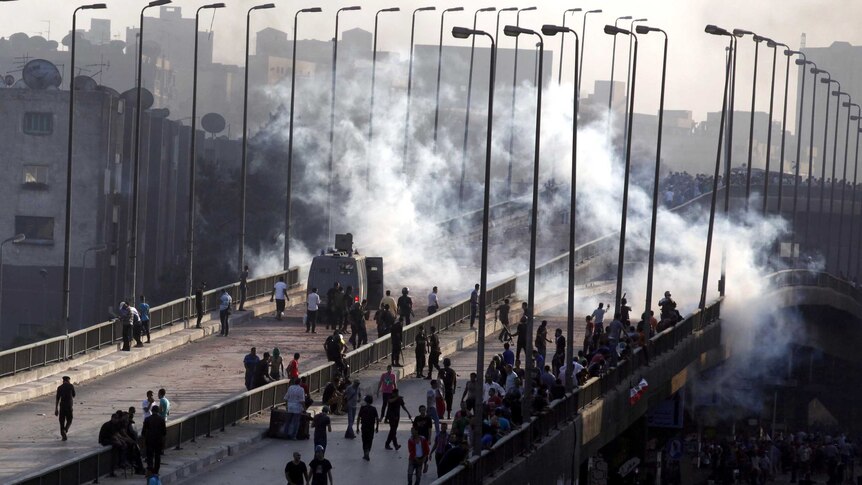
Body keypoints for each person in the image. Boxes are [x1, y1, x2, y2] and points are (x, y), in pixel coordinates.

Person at [142, 405, 166, 473]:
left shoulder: (147, 419)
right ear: (158, 411)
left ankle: (150, 468)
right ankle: (156, 470)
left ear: (152, 411)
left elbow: (143, 432)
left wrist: (144, 441)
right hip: (158, 440)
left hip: (149, 440)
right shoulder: (161, 419)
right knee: (157, 456)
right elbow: (164, 432)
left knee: (150, 455)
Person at [357, 395, 380, 461]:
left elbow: (358, 418)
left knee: (364, 440)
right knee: (370, 440)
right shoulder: (374, 409)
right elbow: (377, 419)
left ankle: (365, 453)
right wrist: (377, 427)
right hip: (371, 428)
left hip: (364, 427)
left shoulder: (362, 408)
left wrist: (357, 427)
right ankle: (367, 452)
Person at [55, 375, 75, 440]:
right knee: (69, 419)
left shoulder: (59, 387)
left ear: (63, 381)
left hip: (62, 406)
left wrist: (56, 409)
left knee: (61, 421)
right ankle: (65, 430)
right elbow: (74, 395)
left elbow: (57, 399)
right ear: (68, 380)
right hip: (69, 406)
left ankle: (63, 435)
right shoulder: (71, 386)